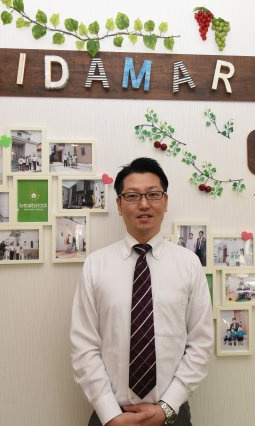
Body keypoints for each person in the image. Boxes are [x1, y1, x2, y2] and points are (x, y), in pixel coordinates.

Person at [70, 157, 213, 426]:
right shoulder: (95, 265)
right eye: (133, 196)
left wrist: (167, 408)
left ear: (165, 202)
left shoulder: (189, 264)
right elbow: (84, 345)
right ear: (119, 205)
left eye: (153, 194)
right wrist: (110, 414)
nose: (144, 204)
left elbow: (201, 343)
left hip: (172, 414)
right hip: (110, 415)